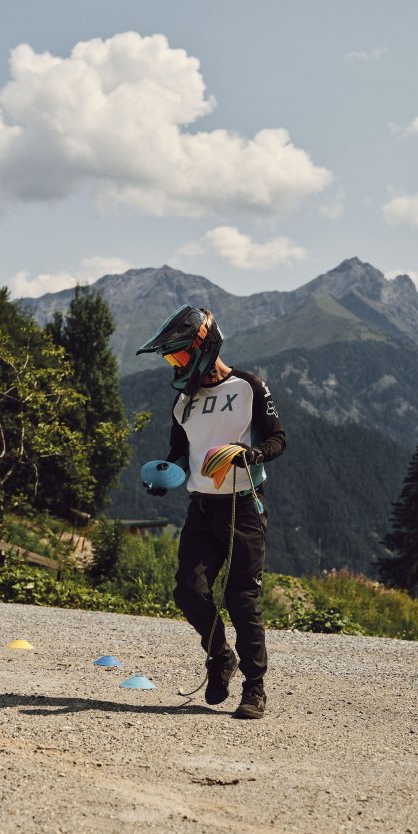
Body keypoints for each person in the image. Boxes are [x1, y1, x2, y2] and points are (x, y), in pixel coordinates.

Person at [137, 304, 286, 720]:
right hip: (201, 508)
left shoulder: (249, 387)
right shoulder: (183, 402)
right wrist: (165, 474)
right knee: (187, 590)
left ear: (203, 345)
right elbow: (179, 454)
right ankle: (220, 655)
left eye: (179, 355)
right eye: (171, 359)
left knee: (242, 599)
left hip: (243, 508)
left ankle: (254, 689)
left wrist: (248, 454)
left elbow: (278, 440)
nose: (176, 365)